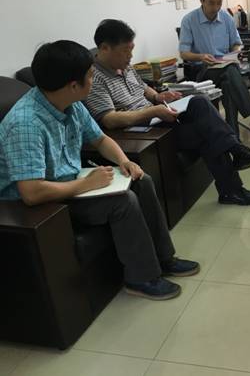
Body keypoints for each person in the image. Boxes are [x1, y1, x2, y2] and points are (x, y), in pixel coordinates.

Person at [0, 40, 201, 300]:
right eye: (90, 76)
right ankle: (140, 278)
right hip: (39, 204)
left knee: (141, 180)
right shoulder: (26, 123)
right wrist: (85, 185)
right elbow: (31, 192)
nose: (94, 81)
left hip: (68, 181)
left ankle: (165, 258)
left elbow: (100, 139)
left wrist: (124, 161)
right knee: (122, 201)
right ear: (73, 85)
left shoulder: (69, 103)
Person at [86, 19, 250, 206]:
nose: (130, 56)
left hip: (154, 117)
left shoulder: (124, 66)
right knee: (207, 133)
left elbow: (143, 88)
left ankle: (236, 154)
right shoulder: (94, 78)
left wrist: (158, 96)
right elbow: (110, 119)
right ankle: (233, 184)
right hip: (137, 130)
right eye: (125, 50)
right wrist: (153, 111)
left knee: (199, 101)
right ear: (105, 48)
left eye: (132, 49)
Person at [178, 0, 250, 135]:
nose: (216, 7)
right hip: (203, 71)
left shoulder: (226, 18)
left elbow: (236, 43)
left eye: (219, 2)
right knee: (230, 72)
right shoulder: (189, 20)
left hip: (225, 67)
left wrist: (235, 52)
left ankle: (233, 138)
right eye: (211, 3)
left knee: (228, 83)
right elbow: (184, 53)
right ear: (201, 0)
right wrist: (201, 56)